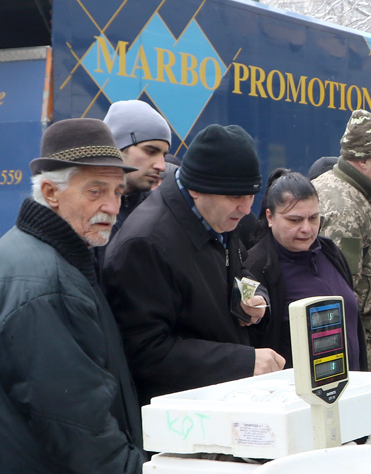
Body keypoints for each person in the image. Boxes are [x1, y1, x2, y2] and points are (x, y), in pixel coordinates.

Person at [0, 118, 148, 474]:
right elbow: (76, 424)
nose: (111, 205)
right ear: (51, 192)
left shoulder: (51, 255)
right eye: (95, 191)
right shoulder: (43, 280)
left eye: (117, 192)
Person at [103, 124, 284, 405]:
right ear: (198, 190)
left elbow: (239, 270)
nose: (246, 208)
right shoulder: (145, 243)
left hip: (220, 401)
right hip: (180, 419)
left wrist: (256, 299)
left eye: (251, 195)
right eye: (235, 196)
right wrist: (242, 362)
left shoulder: (215, 215)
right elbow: (144, 350)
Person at [246, 169, 367, 371]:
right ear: (270, 216)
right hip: (293, 395)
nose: (307, 228)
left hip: (350, 388)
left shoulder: (330, 252)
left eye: (313, 218)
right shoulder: (256, 268)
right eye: (294, 220)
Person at [313, 110, 371, 366]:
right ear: (363, 161)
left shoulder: (348, 193)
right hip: (347, 345)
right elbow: (339, 292)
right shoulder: (343, 206)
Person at [102, 99, 171, 235]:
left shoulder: (162, 213)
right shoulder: (84, 210)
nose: (162, 166)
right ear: (117, 148)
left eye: (164, 155)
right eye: (150, 151)